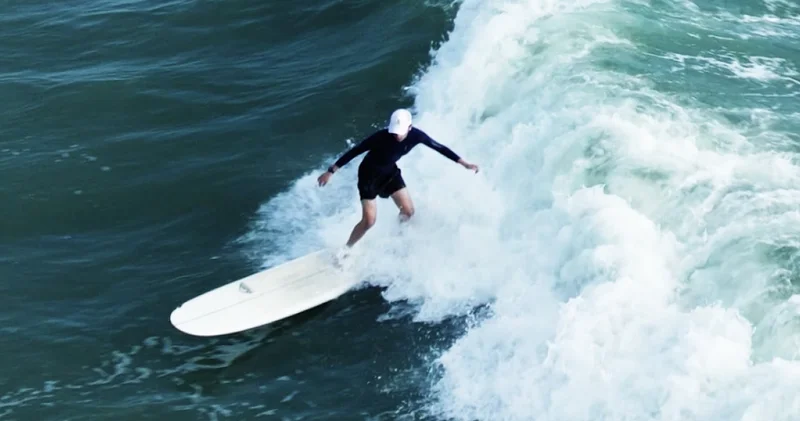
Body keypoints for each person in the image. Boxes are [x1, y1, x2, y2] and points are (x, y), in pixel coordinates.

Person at [317, 108, 479, 249]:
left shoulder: (417, 136)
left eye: (400, 131)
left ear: (409, 127)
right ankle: (347, 249)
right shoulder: (381, 136)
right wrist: (331, 171)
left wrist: (464, 164)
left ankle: (395, 239)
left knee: (408, 212)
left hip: (390, 173)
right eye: (394, 131)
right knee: (369, 221)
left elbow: (440, 148)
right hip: (368, 176)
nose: (397, 135)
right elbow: (356, 151)